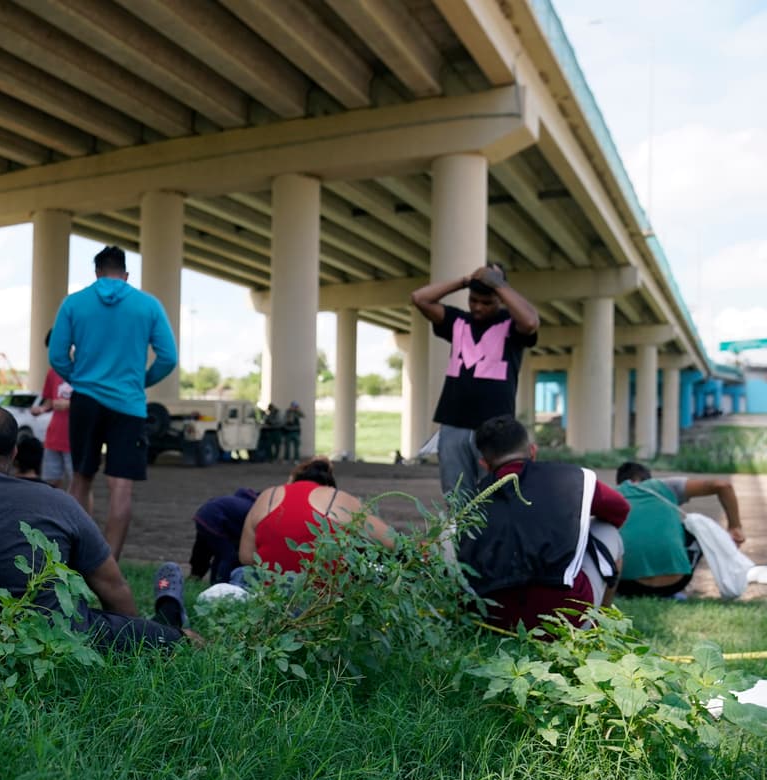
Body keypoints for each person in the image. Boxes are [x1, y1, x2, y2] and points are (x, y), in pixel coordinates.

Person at [0, 403, 189, 650]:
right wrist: (134, 632)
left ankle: (166, 616)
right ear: (14, 453)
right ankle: (170, 620)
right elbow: (113, 588)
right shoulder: (58, 502)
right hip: (58, 639)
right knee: (172, 639)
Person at [49, 246, 178, 562]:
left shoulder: (74, 303)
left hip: (85, 401)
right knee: (121, 488)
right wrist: (140, 381)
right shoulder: (148, 305)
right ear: (126, 274)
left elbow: (56, 356)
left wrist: (79, 378)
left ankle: (69, 563)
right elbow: (168, 358)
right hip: (128, 405)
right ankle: (109, 566)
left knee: (80, 479)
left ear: (96, 273)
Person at [457, 416, 630, 631]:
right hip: (566, 617)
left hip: (493, 619)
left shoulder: (470, 499)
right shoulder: (574, 478)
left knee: (448, 534)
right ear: (533, 450)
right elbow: (619, 510)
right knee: (608, 530)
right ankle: (601, 625)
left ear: (484, 463)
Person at [411, 263, 539, 499]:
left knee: (496, 494)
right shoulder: (458, 321)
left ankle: (492, 537)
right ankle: (462, 537)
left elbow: (531, 322)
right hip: (453, 422)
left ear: (499, 298)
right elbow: (419, 298)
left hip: (496, 426)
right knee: (456, 495)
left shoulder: (511, 326)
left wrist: (499, 284)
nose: (478, 307)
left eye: (486, 302)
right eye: (473, 300)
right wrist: (464, 280)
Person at [238, 457, 395, 577]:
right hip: (323, 600)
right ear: (329, 485)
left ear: (292, 480)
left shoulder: (268, 495)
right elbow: (391, 542)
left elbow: (246, 557)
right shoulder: (338, 498)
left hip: (270, 595)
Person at [614, 462, 745, 598]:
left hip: (626, 586)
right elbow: (722, 485)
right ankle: (677, 583)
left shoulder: (612, 494)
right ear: (649, 479)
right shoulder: (664, 486)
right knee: (698, 529)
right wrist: (735, 526)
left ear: (620, 482)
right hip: (674, 584)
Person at [30, 329, 74, 490]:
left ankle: (80, 515)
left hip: (75, 438)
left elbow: (92, 401)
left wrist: (69, 404)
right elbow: (49, 401)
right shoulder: (52, 372)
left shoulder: (83, 370)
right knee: (49, 483)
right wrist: (41, 409)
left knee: (78, 485)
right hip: (54, 436)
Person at [190, 488, 259, 585]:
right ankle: (219, 585)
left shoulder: (244, 501)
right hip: (214, 519)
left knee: (205, 550)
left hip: (204, 514)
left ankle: (195, 578)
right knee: (228, 556)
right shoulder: (254, 510)